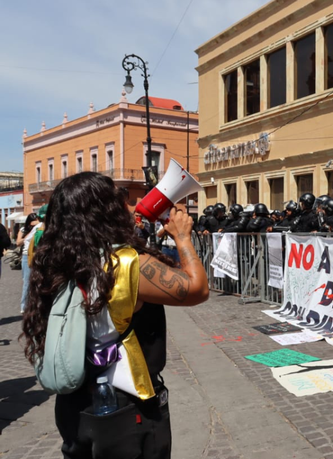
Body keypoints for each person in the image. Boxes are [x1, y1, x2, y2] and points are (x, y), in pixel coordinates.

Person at [21, 172, 208, 458]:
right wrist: (182, 237)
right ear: (106, 212)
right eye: (122, 203)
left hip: (73, 405)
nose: (130, 208)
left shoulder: (50, 256)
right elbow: (197, 289)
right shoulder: (123, 263)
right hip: (123, 409)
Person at [18, 213, 39, 313]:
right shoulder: (23, 230)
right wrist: (28, 235)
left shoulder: (39, 228)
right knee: (27, 281)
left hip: (36, 255)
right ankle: (24, 306)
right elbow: (18, 242)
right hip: (27, 256)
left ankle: (34, 304)